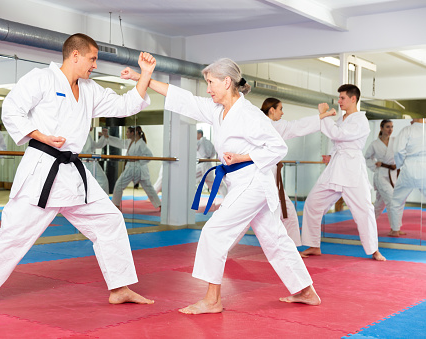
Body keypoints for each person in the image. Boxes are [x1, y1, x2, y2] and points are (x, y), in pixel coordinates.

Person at [0, 33, 156, 311]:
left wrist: (145, 74)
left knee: (109, 220)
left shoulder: (89, 89)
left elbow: (125, 105)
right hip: (42, 170)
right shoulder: (42, 79)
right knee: (14, 234)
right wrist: (40, 135)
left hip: (73, 173)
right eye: (92, 59)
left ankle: (120, 287)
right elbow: (12, 110)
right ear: (75, 55)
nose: (95, 65)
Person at [121, 57, 321, 314]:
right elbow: (183, 98)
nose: (208, 89)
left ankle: (213, 300)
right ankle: (306, 291)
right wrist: (142, 78)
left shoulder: (249, 115)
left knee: (213, 232)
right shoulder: (217, 110)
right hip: (241, 182)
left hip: (253, 180)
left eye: (211, 82)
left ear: (227, 82)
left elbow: (278, 147)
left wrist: (242, 157)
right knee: (274, 237)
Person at [300, 84, 386, 261]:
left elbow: (338, 134)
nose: (339, 101)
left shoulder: (360, 120)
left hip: (352, 169)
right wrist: (331, 156)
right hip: (335, 167)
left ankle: (374, 249)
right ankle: (314, 245)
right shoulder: (342, 118)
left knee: (364, 209)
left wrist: (323, 115)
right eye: (339, 98)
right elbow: (336, 140)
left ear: (353, 99)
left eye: (342, 98)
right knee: (313, 203)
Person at [261, 98, 336, 246]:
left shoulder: (266, 124)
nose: (282, 112)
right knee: (282, 214)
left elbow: (297, 126)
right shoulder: (271, 126)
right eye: (280, 109)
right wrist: (323, 115)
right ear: (272, 110)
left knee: (287, 213)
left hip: (268, 178)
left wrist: (323, 115)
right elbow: (298, 126)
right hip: (263, 178)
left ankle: (292, 248)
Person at [101, 126, 161, 210]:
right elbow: (120, 142)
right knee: (119, 185)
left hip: (139, 169)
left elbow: (150, 156)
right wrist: (108, 137)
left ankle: (160, 205)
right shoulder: (130, 142)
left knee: (148, 189)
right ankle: (116, 206)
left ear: (134, 133)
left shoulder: (141, 143)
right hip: (131, 168)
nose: (126, 134)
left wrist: (137, 159)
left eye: (128, 132)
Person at [388, 118, 426, 236]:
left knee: (397, 200)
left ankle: (395, 229)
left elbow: (398, 151)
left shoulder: (407, 130)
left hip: (409, 166)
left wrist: (400, 165)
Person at [364, 119, 400, 235]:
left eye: (392, 127)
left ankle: (367, 224)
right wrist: (375, 165)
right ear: (381, 128)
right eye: (388, 127)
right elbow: (367, 158)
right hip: (380, 175)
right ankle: (395, 229)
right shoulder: (374, 144)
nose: (390, 129)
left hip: (392, 174)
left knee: (380, 203)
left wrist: (398, 164)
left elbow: (401, 154)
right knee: (391, 200)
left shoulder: (395, 141)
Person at [196, 129, 227, 198]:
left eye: (196, 134)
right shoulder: (209, 142)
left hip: (202, 164)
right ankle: (226, 195)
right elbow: (213, 153)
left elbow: (192, 148)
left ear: (200, 134)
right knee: (212, 182)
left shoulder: (199, 142)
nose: (195, 136)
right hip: (208, 163)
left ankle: (227, 196)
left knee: (190, 178)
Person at [81, 127, 109, 194]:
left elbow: (97, 145)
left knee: (102, 181)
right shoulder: (80, 133)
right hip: (85, 161)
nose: (92, 127)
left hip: (90, 161)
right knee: (101, 181)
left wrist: (103, 136)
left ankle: (100, 201)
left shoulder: (87, 135)